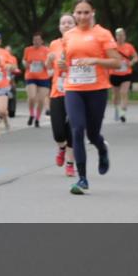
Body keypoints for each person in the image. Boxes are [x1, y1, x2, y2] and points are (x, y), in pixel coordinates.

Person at [62, 0, 123, 195]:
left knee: (93, 134)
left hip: (97, 89)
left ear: (93, 12)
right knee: (77, 129)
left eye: (86, 12)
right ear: (74, 14)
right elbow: (67, 62)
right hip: (74, 88)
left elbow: (116, 62)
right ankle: (82, 179)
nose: (82, 16)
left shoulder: (102, 34)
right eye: (78, 12)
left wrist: (94, 60)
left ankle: (102, 149)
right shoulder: (68, 35)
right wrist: (62, 65)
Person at [46, 14, 77, 177]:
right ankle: (62, 147)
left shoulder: (80, 43)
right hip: (57, 91)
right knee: (58, 132)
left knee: (72, 129)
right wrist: (49, 61)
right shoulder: (54, 44)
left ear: (75, 25)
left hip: (76, 91)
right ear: (59, 27)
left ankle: (70, 163)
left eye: (69, 22)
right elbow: (49, 71)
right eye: (63, 23)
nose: (66, 25)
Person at [110, 28, 138, 123]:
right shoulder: (112, 47)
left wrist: (131, 62)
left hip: (126, 73)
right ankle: (116, 109)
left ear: (125, 36)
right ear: (116, 36)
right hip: (114, 73)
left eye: (122, 35)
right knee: (115, 95)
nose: (121, 37)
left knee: (124, 92)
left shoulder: (129, 47)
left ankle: (123, 113)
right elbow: (106, 57)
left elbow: (136, 57)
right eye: (118, 35)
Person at [22, 33, 50, 128]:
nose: (36, 42)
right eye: (34, 40)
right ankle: (31, 114)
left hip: (43, 77)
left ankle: (37, 119)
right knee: (32, 97)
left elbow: (49, 64)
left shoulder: (46, 50)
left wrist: (44, 64)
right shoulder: (28, 50)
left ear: (41, 41)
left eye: (38, 40)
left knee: (41, 100)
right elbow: (24, 60)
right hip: (31, 76)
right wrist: (25, 64)